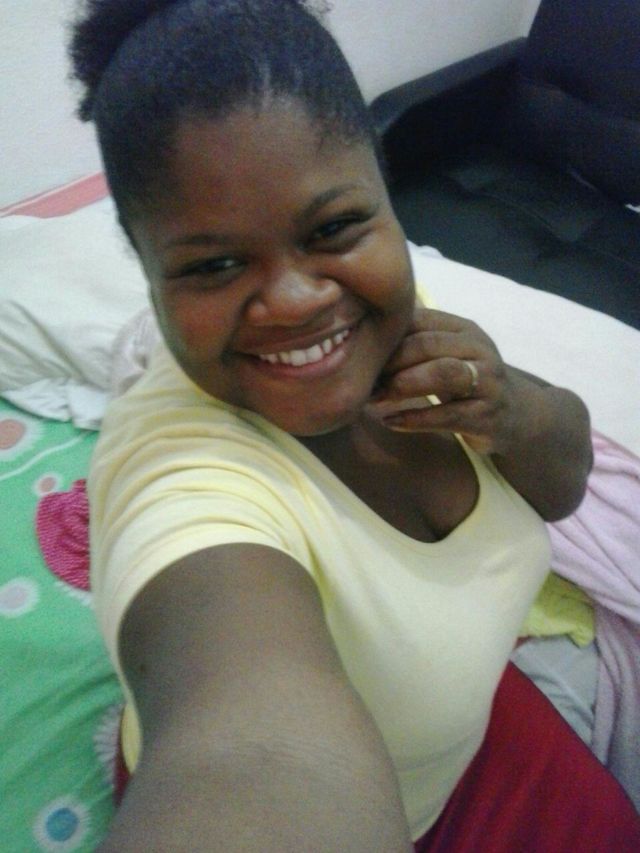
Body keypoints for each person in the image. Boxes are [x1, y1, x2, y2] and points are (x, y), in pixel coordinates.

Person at [69, 1, 639, 850]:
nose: (298, 301)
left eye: (334, 228)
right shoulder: (183, 486)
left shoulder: (397, 325)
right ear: (143, 262)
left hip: (474, 730)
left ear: (382, 188)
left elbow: (563, 487)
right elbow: (250, 751)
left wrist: (510, 405)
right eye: (215, 264)